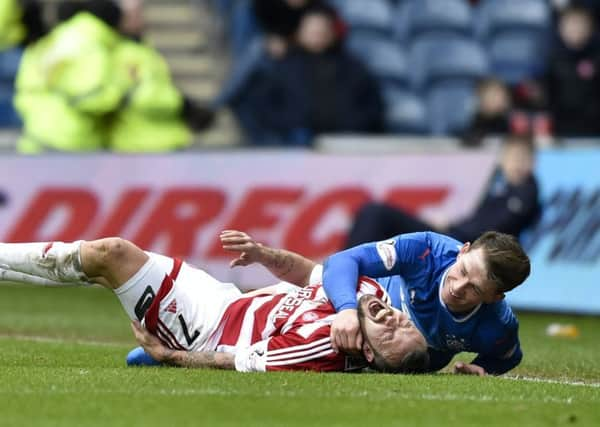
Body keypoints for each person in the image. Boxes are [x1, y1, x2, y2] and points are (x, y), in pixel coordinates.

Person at [0, 230, 429, 373]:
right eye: (404, 322)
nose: (394, 318)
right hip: (224, 298)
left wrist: (168, 354)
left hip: (204, 328)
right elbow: (308, 273)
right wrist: (266, 256)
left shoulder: (321, 348)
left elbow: (236, 361)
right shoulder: (366, 292)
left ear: (367, 351)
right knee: (100, 262)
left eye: (391, 333)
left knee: (109, 255)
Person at [323, 230, 531, 376]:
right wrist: (346, 309)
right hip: (348, 318)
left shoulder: (496, 325)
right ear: (463, 251)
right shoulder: (426, 250)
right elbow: (342, 260)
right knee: (297, 267)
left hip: (404, 364)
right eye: (463, 271)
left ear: (494, 297)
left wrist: (481, 367)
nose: (457, 287)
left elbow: (509, 356)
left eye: (474, 288)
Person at [345, 135, 541, 248]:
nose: (517, 164)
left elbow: (491, 229)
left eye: (523, 159)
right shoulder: (502, 189)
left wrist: (451, 230)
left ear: (533, 163)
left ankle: (341, 272)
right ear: (503, 160)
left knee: (376, 213)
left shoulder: (525, 192)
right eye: (513, 157)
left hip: (454, 243)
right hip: (451, 235)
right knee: (373, 214)